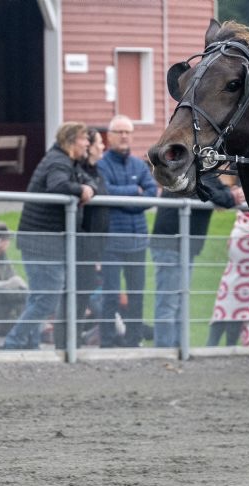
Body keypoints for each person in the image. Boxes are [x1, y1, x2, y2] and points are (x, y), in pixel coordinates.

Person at [0, 122, 95, 350]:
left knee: (39, 297)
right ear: (71, 141)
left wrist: (88, 187)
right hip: (42, 241)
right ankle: (11, 344)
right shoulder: (58, 161)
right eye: (84, 139)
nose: (88, 143)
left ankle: (28, 344)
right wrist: (81, 190)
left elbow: (90, 179)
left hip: (44, 241)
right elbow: (57, 185)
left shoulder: (67, 161)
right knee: (46, 299)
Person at [150, 173, 236, 348]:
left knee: (180, 301)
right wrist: (225, 197)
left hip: (185, 245)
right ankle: (164, 351)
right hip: (170, 243)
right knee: (169, 303)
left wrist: (225, 195)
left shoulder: (206, 173)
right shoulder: (187, 169)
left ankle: (179, 349)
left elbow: (218, 191)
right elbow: (201, 192)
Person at [96, 115, 158, 347]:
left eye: (127, 132)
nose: (124, 136)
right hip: (112, 241)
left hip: (138, 241)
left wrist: (126, 198)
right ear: (109, 136)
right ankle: (107, 342)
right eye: (119, 132)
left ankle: (134, 340)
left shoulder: (138, 164)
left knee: (136, 295)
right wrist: (135, 191)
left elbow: (152, 194)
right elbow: (105, 192)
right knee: (110, 295)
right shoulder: (101, 164)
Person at [54, 127, 110, 348]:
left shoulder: (95, 172)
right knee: (73, 297)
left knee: (82, 296)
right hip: (82, 245)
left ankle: (73, 342)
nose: (101, 147)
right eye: (98, 143)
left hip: (93, 245)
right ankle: (65, 344)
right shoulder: (80, 171)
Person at [207, 180, 249, 347]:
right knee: (233, 301)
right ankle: (216, 346)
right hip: (243, 254)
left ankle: (223, 345)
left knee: (238, 303)